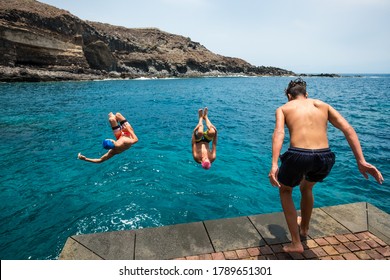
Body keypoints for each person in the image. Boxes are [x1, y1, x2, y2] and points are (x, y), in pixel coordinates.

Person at [268, 78, 384, 253]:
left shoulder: (284, 108)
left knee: (285, 190)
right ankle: (304, 228)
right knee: (306, 187)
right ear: (306, 94)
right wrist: (361, 160)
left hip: (299, 155)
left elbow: (279, 133)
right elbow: (348, 129)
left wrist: (274, 164)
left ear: (289, 96)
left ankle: (296, 242)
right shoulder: (323, 105)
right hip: (325, 157)